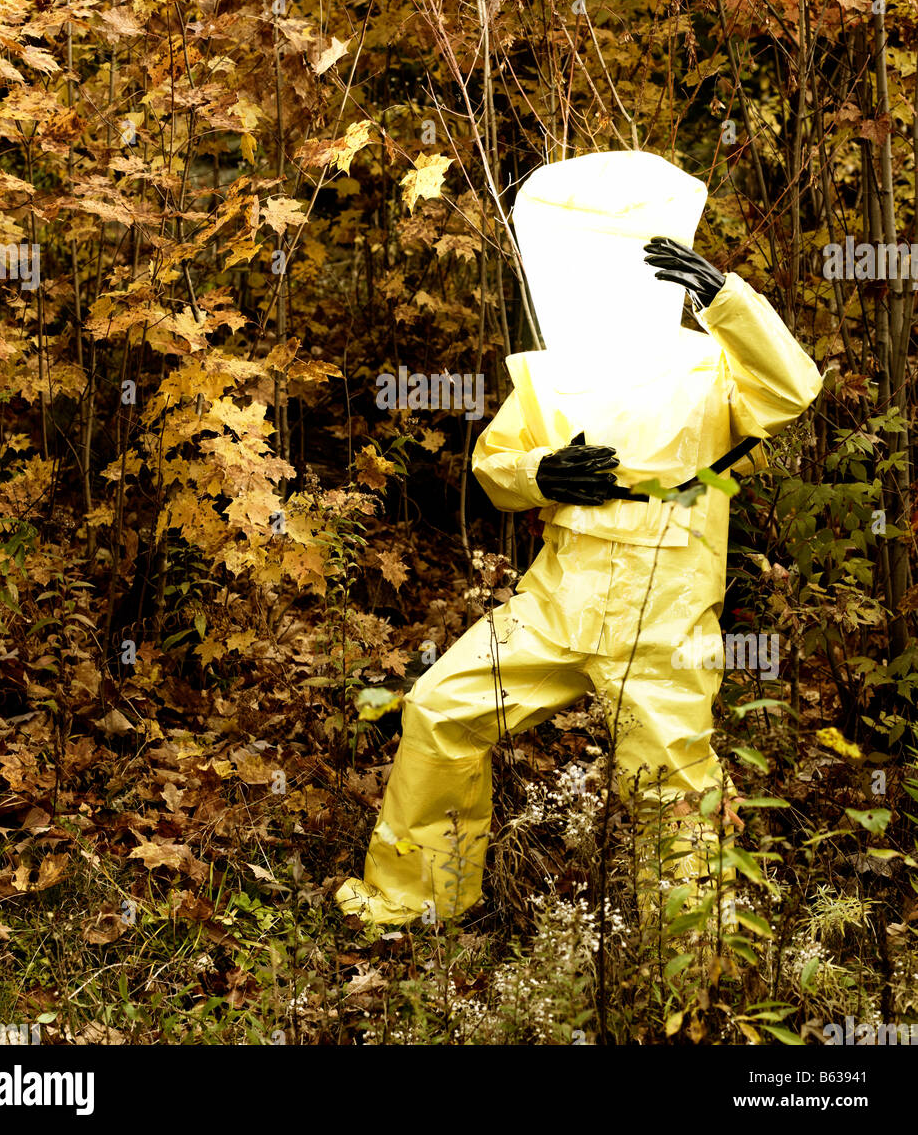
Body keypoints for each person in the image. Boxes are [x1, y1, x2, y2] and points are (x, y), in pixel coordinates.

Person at [336, 151, 822, 926]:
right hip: (556, 603)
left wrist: (726, 300)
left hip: (661, 621)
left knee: (669, 782)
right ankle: (417, 901)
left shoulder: (709, 369)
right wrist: (542, 473)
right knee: (438, 710)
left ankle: (685, 953)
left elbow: (792, 390)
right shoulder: (550, 376)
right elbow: (494, 465)